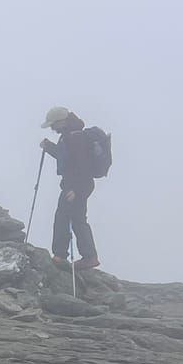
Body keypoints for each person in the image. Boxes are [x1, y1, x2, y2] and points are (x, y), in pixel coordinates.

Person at [39, 106, 109, 269]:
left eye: (53, 124)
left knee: (63, 216)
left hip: (77, 185)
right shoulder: (70, 135)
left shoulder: (74, 137)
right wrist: (49, 147)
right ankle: (88, 256)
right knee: (76, 218)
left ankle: (61, 256)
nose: (52, 128)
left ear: (61, 122)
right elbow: (66, 159)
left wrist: (73, 189)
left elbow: (80, 165)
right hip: (81, 184)